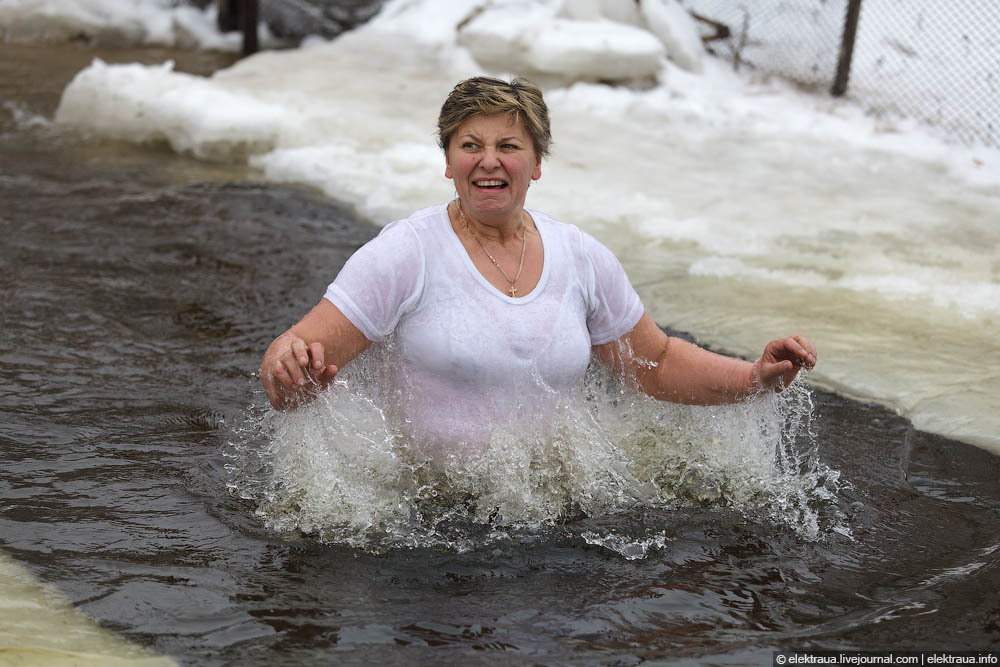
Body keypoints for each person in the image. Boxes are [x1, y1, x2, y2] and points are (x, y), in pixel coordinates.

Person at [260, 76, 816, 451]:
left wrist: (753, 377)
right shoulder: (407, 252)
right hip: (423, 530)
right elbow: (299, 350)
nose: (489, 161)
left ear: (537, 164)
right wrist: (288, 373)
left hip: (551, 524)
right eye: (470, 144)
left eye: (509, 145)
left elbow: (657, 362)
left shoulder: (581, 257)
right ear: (449, 163)